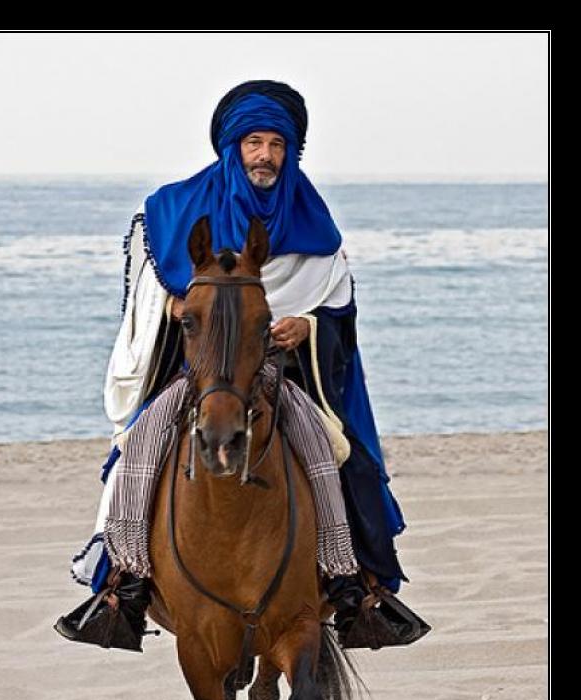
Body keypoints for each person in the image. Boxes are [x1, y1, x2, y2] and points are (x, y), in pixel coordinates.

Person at [55, 80, 430, 653]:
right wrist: (179, 307)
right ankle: (121, 589)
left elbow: (335, 306)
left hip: (278, 372)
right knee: (139, 449)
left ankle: (358, 588)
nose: (265, 156)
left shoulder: (315, 222)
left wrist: (307, 327)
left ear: (291, 152)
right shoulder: (175, 209)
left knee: (338, 456)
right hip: (200, 376)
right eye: (254, 143)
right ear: (233, 148)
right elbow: (148, 298)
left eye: (277, 145)